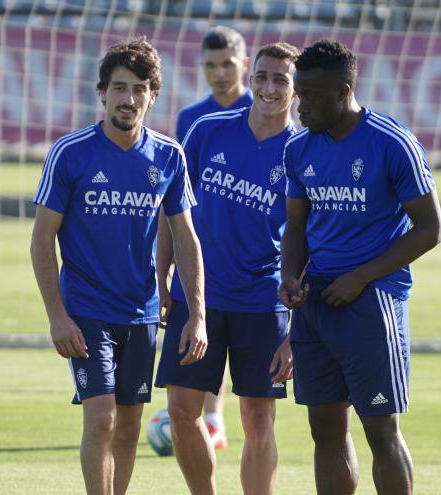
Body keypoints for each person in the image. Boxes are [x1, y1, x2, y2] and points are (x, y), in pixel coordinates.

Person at [30, 37, 206, 495]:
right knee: (103, 417)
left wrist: (198, 316)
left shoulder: (169, 155)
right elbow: (41, 238)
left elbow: (186, 240)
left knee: (129, 426)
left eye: (139, 88)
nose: (128, 98)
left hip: (142, 310)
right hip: (86, 308)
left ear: (152, 96)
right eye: (119, 87)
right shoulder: (71, 153)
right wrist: (56, 315)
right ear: (102, 92)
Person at [279, 40, 441, 495]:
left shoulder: (392, 143)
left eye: (310, 94)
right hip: (315, 304)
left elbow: (430, 229)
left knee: (380, 430)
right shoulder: (298, 149)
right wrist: (289, 275)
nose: (300, 104)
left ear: (344, 91)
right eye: (298, 92)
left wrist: (361, 277)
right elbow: (296, 224)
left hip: (372, 304)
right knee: (325, 431)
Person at [155, 42, 300, 495]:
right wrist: (160, 277)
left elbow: (312, 243)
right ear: (249, 78)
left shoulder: (303, 152)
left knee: (258, 418)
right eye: (263, 76)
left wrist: (297, 330)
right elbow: (172, 215)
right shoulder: (206, 131)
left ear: (295, 90)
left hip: (263, 301)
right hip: (196, 296)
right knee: (181, 410)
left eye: (281, 79)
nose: (270, 87)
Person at [168, 25, 252, 449]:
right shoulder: (191, 118)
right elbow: (180, 193)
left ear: (244, 64)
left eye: (227, 64)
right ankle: (206, 414)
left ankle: (216, 413)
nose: (220, 73)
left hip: (251, 258)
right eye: (211, 66)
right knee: (202, 334)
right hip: (202, 248)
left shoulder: (268, 108)